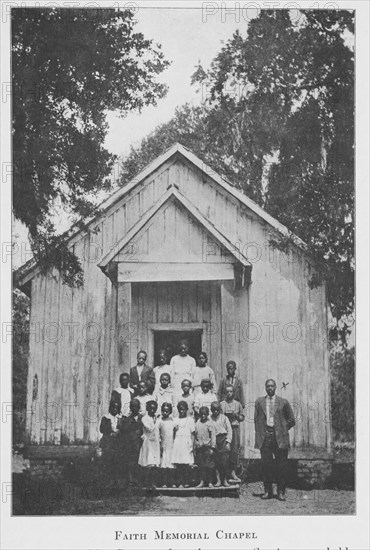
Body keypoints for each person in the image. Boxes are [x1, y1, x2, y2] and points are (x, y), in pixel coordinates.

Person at [254, 378, 296, 501]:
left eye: (272, 386)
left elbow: (292, 420)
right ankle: (267, 491)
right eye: (268, 386)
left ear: (276, 387)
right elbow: (257, 421)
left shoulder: (283, 402)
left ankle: (281, 492)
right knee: (266, 465)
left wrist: (283, 429)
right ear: (265, 388)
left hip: (280, 438)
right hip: (266, 437)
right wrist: (260, 435)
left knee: (281, 466)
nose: (270, 388)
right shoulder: (259, 402)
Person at [220, 384, 244, 482]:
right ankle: (224, 475)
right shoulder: (222, 404)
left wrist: (236, 416)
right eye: (227, 392)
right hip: (225, 430)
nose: (229, 394)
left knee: (234, 451)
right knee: (225, 451)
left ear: (233, 393)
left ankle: (233, 472)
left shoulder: (238, 404)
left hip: (234, 428)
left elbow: (242, 418)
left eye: (231, 391)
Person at [119, 398, 143, 484]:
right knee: (131, 463)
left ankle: (141, 481)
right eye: (132, 407)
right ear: (130, 408)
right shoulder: (127, 420)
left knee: (141, 463)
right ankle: (132, 480)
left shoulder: (143, 418)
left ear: (139, 407)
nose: (134, 408)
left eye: (136, 406)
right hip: (131, 445)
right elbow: (124, 432)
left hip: (141, 445)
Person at [172, 401, 196, 487]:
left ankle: (186, 481)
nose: (181, 411)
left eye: (183, 409)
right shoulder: (175, 420)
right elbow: (173, 434)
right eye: (179, 410)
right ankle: (179, 482)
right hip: (178, 441)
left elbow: (193, 434)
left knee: (186, 463)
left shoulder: (190, 420)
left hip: (186, 442)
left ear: (186, 409)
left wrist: (193, 445)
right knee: (178, 463)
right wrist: (174, 430)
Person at [210, 401, 232, 487]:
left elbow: (230, 430)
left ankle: (225, 480)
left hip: (223, 440)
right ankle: (218, 480)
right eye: (213, 410)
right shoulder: (210, 418)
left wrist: (228, 442)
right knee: (216, 462)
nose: (215, 411)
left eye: (217, 409)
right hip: (214, 441)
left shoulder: (224, 418)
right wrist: (212, 444)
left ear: (220, 409)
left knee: (225, 462)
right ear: (211, 410)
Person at [138, 400, 160, 487]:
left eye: (154, 409)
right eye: (150, 408)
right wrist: (155, 421)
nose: (152, 410)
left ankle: (152, 482)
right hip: (148, 442)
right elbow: (149, 428)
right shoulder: (144, 418)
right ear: (147, 408)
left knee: (154, 463)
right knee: (148, 462)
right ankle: (146, 482)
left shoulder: (156, 418)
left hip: (155, 442)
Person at [99, 400, 122, 480]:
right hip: (108, 442)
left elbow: (123, 429)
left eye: (117, 408)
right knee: (107, 460)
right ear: (110, 408)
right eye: (113, 407)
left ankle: (116, 479)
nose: (115, 409)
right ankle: (107, 479)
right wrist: (111, 431)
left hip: (117, 443)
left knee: (117, 461)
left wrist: (119, 432)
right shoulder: (106, 417)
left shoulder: (120, 418)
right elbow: (101, 429)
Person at [194, 406, 216, 488]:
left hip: (207, 447)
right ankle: (202, 481)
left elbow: (213, 436)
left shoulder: (210, 423)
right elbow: (195, 436)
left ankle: (210, 482)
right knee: (201, 465)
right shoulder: (197, 423)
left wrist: (212, 447)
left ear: (207, 414)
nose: (203, 416)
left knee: (209, 466)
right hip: (200, 448)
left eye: (205, 414)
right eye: (201, 414)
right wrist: (196, 444)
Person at [158, 402, 175, 487]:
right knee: (164, 464)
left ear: (170, 412)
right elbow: (157, 433)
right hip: (163, 445)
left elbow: (175, 432)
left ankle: (171, 482)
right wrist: (160, 443)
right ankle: (164, 482)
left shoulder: (172, 421)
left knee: (171, 465)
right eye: (163, 411)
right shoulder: (159, 421)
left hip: (171, 444)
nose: (165, 413)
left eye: (167, 411)